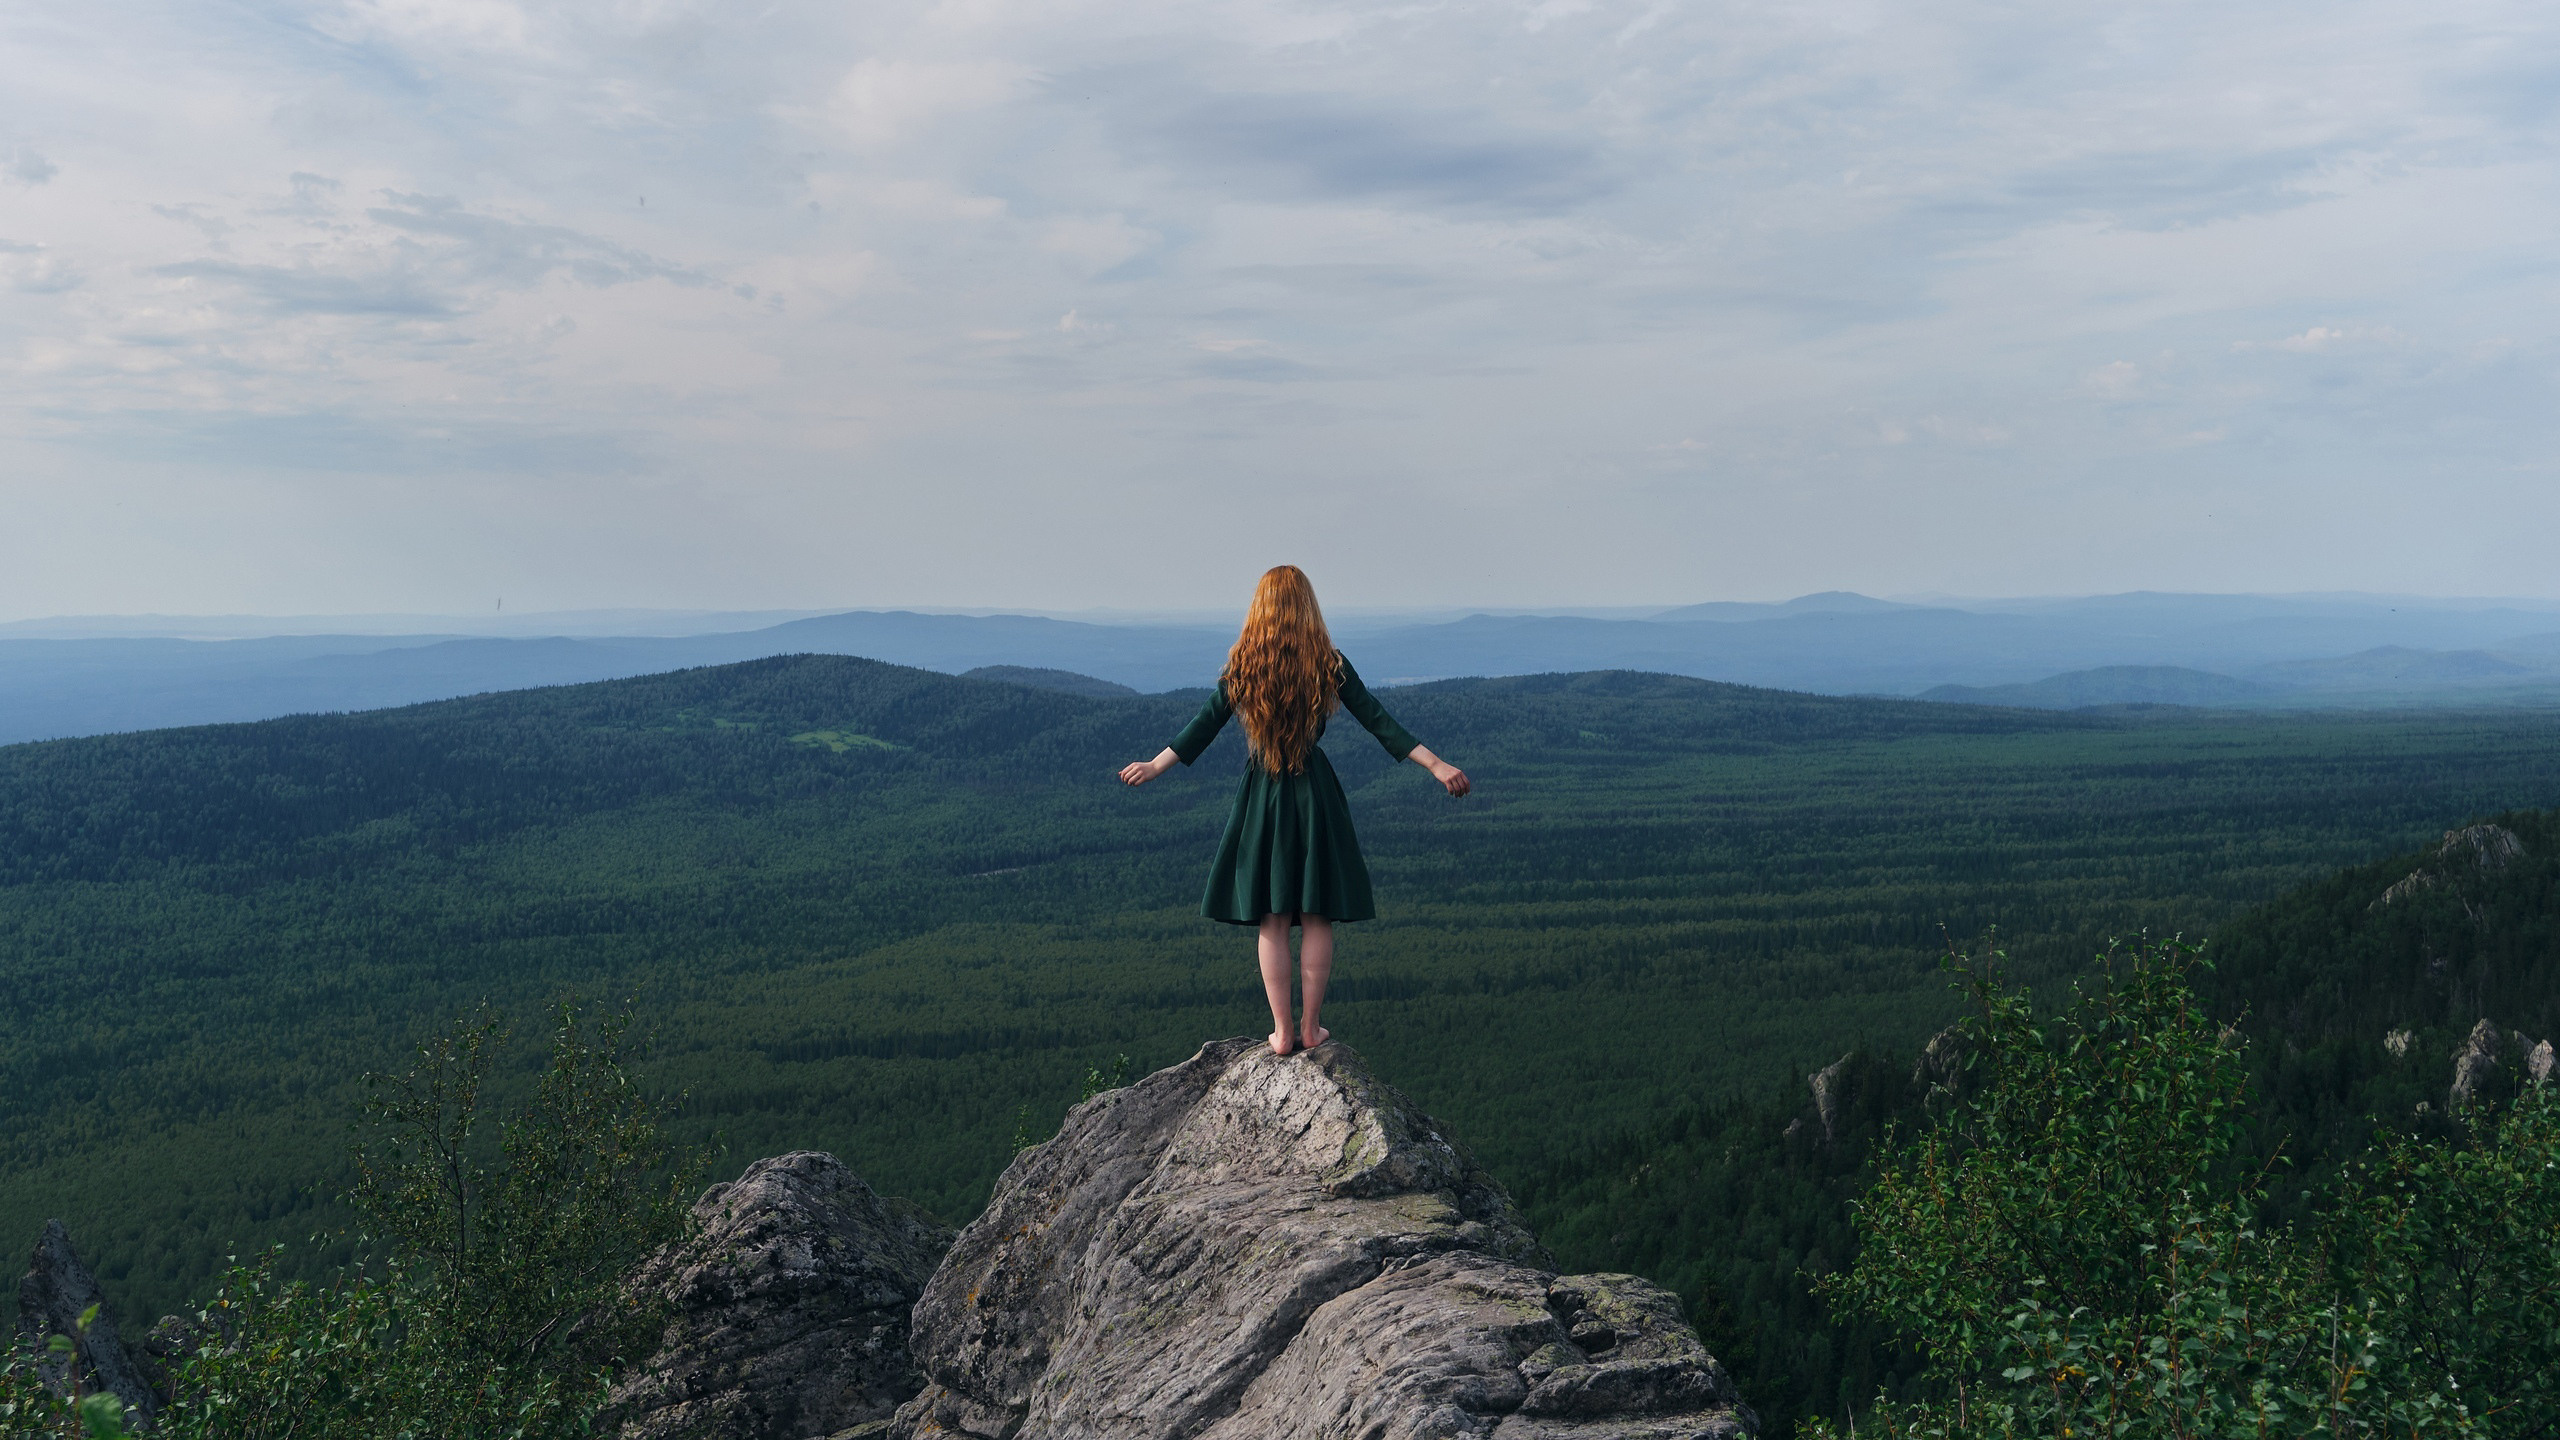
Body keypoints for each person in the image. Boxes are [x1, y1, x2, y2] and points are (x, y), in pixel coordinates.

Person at [1120, 565, 1470, 1056]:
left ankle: (1282, 1033)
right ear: (1308, 607)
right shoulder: (1327, 662)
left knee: (1273, 918)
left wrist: (1155, 766)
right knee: (1317, 913)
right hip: (1313, 794)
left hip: (1264, 794)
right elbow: (1378, 721)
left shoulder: (1246, 664)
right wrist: (1437, 765)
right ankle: (1310, 1028)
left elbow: (1204, 724)